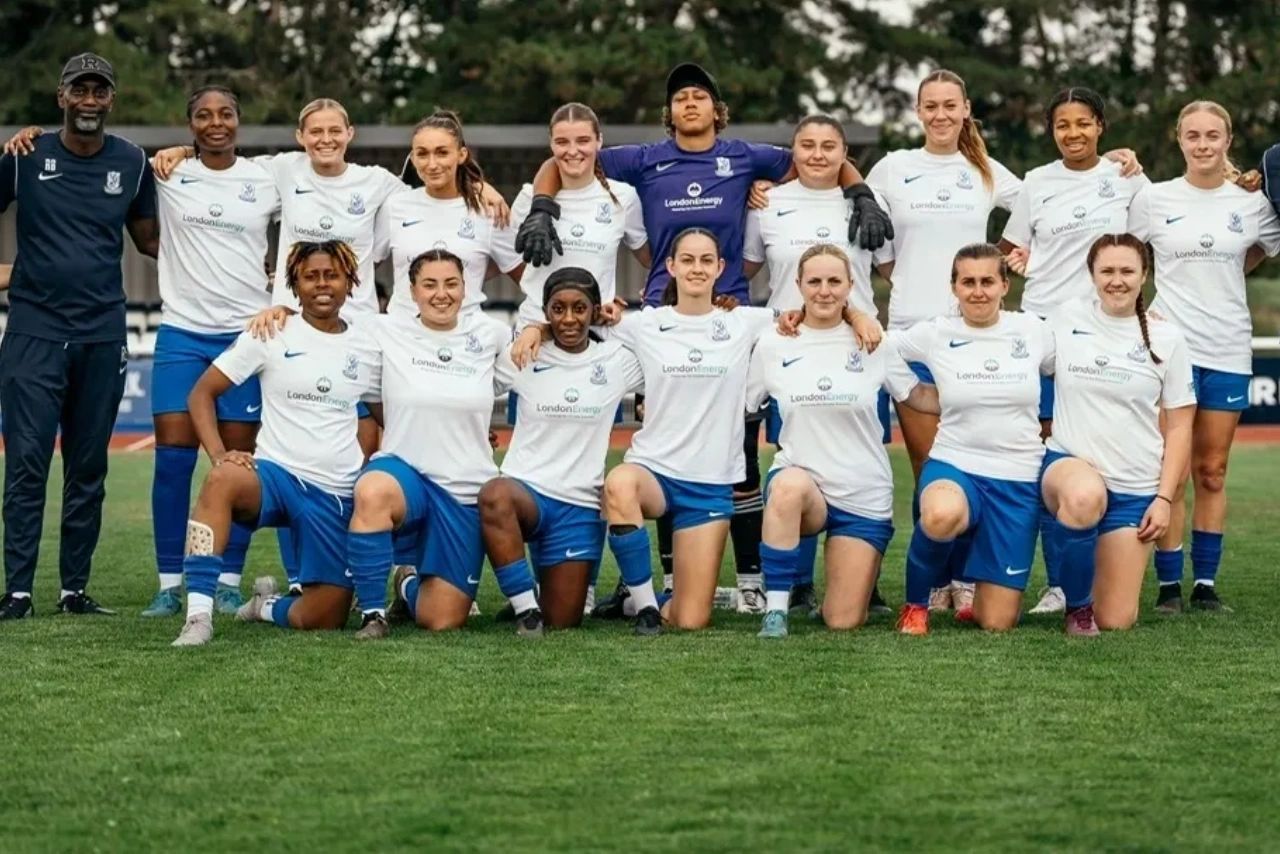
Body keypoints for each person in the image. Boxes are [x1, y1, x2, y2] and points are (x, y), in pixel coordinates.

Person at [517, 64, 892, 617]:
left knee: (737, 447)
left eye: (699, 96)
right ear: (669, 112)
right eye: (680, 98)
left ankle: (751, 578)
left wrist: (859, 193)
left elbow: (819, 158)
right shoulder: (644, 159)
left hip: (730, 310)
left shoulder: (745, 156)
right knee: (665, 436)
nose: (689, 104)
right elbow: (570, 156)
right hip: (661, 314)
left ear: (717, 109)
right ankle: (657, 581)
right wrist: (543, 207)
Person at [597, 227, 881, 635]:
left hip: (711, 483)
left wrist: (858, 315)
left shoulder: (746, 322)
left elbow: (812, 310)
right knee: (620, 483)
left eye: (706, 260)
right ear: (671, 266)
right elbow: (579, 319)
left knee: (692, 619)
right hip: (654, 470)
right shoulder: (643, 324)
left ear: (720, 268)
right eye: (687, 260)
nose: (696, 268)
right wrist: (545, 328)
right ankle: (644, 607)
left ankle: (644, 604)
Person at [0, 53, 158, 621]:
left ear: (110, 99)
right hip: (34, 332)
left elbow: (151, 242)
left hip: (101, 334)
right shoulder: (25, 155)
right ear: (61, 96)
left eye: (99, 91)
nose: (89, 100)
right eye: (79, 90)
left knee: (88, 468)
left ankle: (73, 590)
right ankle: (18, 591)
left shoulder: (132, 162)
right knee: (26, 463)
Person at [171, 240, 379, 646]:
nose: (322, 284)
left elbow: (390, 413)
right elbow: (200, 394)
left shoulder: (367, 345)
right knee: (222, 479)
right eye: (311, 276)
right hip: (275, 477)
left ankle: (263, 606)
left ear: (350, 282)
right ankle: (198, 617)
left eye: (332, 275)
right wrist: (219, 454)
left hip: (334, 491)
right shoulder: (270, 332)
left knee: (324, 616)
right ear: (295, 285)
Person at [126, 86, 282, 618]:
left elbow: (313, 215)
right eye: (203, 115)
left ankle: (228, 581)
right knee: (173, 461)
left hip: (247, 336)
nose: (216, 122)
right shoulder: (168, 172)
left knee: (238, 464)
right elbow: (145, 235)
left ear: (239, 119)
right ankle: (170, 583)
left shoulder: (266, 178)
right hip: (183, 333)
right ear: (189, 123)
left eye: (226, 113)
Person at [998, 87, 1150, 615]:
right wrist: (1017, 262)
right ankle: (1059, 583)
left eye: (1083, 123)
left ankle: (1104, 561)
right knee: (1050, 454)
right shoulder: (1037, 182)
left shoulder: (1127, 178)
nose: (1073, 133)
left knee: (1104, 445)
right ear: (1052, 131)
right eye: (1063, 125)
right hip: (1047, 330)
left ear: (1101, 126)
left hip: (1109, 331)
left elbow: (1144, 251)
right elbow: (1012, 247)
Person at [1127, 100, 1280, 612]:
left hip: (1228, 347)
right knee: (1169, 470)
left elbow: (1258, 251)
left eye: (1213, 135)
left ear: (1228, 140)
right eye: (1193, 135)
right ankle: (1169, 586)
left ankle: (1205, 585)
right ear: (1180, 140)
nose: (1203, 144)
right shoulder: (1154, 198)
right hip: (1169, 351)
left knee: (1212, 470)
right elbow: (1125, 257)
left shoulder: (1252, 204)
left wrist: (1226, 270)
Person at [743, 114, 895, 616]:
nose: (817, 154)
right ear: (793, 151)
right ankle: (797, 583)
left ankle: (864, 577)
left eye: (829, 146)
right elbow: (746, 270)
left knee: (860, 451)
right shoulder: (767, 204)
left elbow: (890, 270)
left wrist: (861, 314)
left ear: (845, 153)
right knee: (797, 458)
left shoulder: (867, 202)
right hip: (793, 345)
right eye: (806, 144)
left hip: (858, 347)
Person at [745, 244, 938, 638]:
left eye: (834, 281)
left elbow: (917, 396)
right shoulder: (773, 344)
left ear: (850, 286)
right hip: (804, 488)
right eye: (814, 281)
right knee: (787, 486)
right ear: (798, 284)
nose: (824, 290)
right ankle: (776, 612)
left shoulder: (874, 341)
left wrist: (979, 393)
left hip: (863, 494)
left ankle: (840, 596)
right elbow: (742, 407)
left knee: (843, 620)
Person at [343, 249, 512, 638]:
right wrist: (279, 312)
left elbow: (536, 351)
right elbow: (323, 327)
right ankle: (373, 614)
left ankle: (406, 583)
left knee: (441, 619)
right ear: (412, 290)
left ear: (465, 288)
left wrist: (538, 330)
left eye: (451, 284)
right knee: (372, 490)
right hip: (406, 475)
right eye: (430, 284)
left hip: (464, 487)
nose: (441, 294)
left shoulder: (492, 334)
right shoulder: (384, 330)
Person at [893, 243, 1053, 635]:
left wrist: (1139, 321)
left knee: (997, 623)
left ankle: (978, 595)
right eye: (968, 282)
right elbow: (878, 347)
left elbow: (1075, 360)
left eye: (987, 281)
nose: (978, 291)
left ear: (1004, 285)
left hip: (1017, 478)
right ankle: (916, 605)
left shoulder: (1033, 330)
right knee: (940, 514)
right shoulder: (935, 332)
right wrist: (913, 393)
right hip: (955, 463)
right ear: (954, 287)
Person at [1041, 234, 1195, 634]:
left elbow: (1180, 426)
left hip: (1134, 487)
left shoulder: (1168, 338)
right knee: (1083, 496)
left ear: (1144, 275)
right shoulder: (1065, 318)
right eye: (1106, 271)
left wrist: (1164, 499)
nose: (1117, 280)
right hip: (1070, 467)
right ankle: (1077, 609)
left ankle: (1084, 575)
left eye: (1127, 271)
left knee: (1116, 619)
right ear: (1092, 275)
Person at [480, 267, 644, 636]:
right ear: (546, 312)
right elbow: (471, 390)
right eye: (558, 309)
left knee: (565, 620)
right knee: (494, 494)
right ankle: (526, 608)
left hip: (578, 505)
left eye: (579, 308)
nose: (568, 318)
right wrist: (477, 432)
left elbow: (668, 376)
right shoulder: (526, 353)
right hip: (527, 494)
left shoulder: (616, 360)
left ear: (594, 312)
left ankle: (540, 594)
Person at [374, 110, 523, 317]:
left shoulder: (489, 210)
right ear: (413, 158)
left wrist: (532, 326)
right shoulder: (395, 206)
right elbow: (361, 271)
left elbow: (528, 279)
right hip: (402, 333)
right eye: (422, 154)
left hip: (466, 334)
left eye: (442, 153)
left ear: (461, 155)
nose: (432, 164)